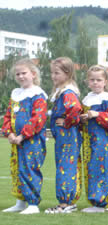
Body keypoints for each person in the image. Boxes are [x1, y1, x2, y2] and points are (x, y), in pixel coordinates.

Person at [2, 58, 48, 214]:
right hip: (16, 140)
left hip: (32, 141)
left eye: (24, 73)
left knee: (29, 168)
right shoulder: (16, 94)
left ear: (33, 74)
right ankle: (20, 201)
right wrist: (9, 133)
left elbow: (38, 119)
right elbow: (8, 116)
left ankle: (33, 203)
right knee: (17, 168)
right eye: (18, 74)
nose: (21, 76)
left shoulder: (38, 95)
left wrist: (23, 135)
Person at [80, 65, 108, 213]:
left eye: (99, 80)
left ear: (105, 82)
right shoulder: (86, 99)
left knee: (102, 169)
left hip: (103, 142)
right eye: (92, 80)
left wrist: (97, 115)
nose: (95, 83)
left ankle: (101, 202)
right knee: (92, 170)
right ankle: (95, 202)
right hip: (89, 142)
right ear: (87, 82)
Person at [45, 57, 82, 214]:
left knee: (65, 167)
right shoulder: (62, 92)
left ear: (67, 73)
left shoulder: (68, 93)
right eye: (52, 73)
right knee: (64, 166)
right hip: (63, 138)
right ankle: (66, 202)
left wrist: (67, 122)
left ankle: (65, 203)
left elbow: (76, 110)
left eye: (57, 73)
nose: (53, 76)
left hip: (68, 137)